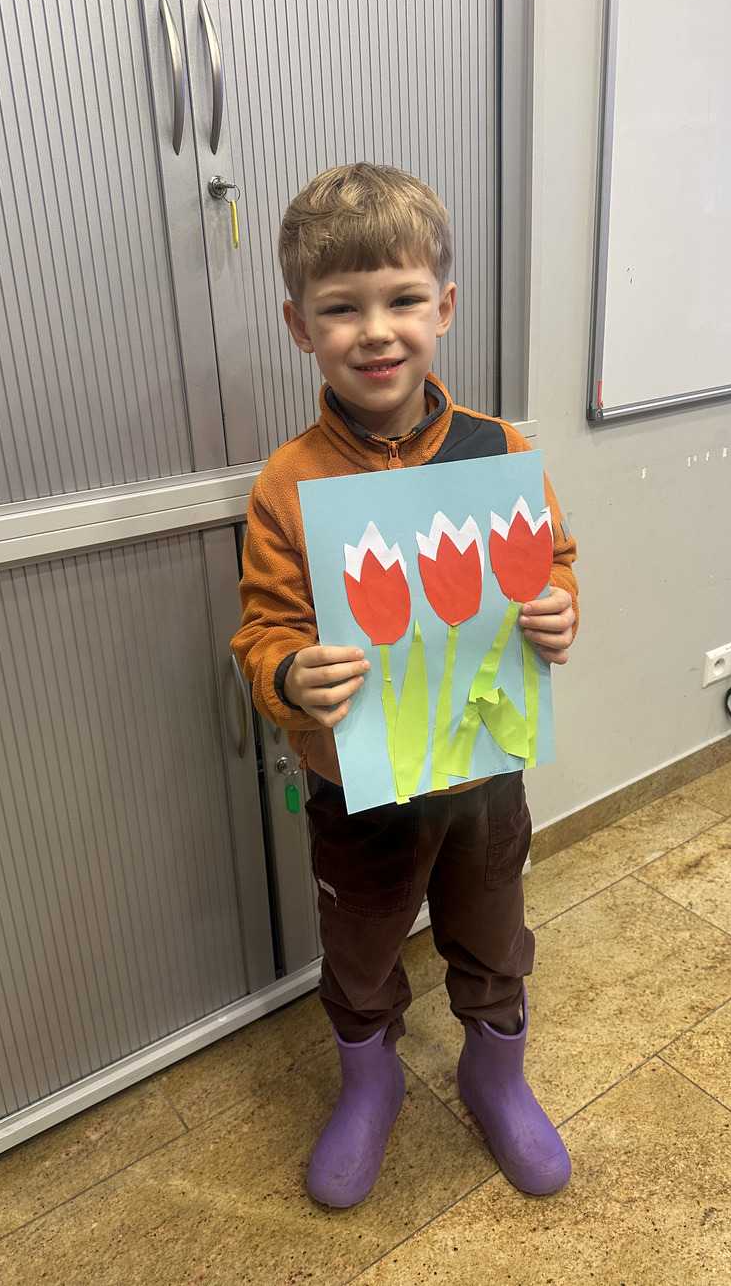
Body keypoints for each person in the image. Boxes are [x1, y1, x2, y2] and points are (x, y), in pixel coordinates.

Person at [231, 163, 578, 1208]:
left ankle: (494, 1072)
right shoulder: (289, 481)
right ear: (299, 325)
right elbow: (262, 630)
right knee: (361, 945)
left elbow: (553, 561)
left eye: (402, 300)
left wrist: (557, 607)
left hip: (482, 781)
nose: (375, 331)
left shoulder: (498, 449)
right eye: (342, 307)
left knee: (493, 930)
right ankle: (369, 1081)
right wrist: (289, 672)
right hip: (355, 791)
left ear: (444, 308)